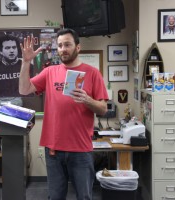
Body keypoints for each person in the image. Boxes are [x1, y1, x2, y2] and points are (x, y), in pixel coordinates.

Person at [19, 28, 108, 200]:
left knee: (84, 197)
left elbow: (103, 109)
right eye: (59, 45)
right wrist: (26, 62)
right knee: (55, 197)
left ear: (78, 47)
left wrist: (88, 100)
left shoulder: (92, 73)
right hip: (54, 149)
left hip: (81, 149)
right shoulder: (50, 72)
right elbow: (24, 89)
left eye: (67, 44)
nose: (62, 49)